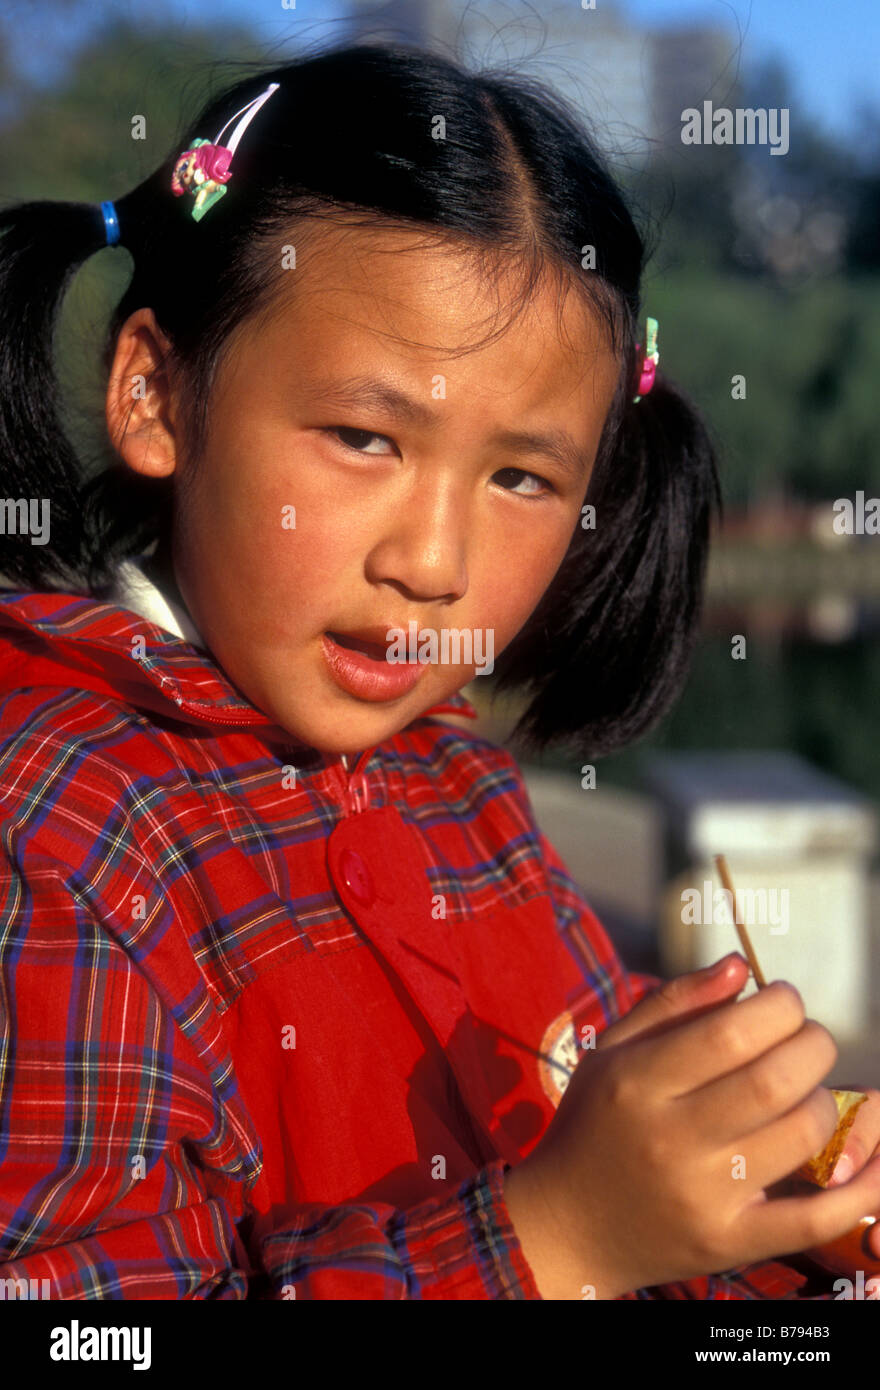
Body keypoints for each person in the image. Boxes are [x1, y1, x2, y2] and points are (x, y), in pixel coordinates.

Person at [0, 41, 878, 1302]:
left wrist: (783, 1204)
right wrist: (551, 1241)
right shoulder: (60, 834)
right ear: (157, 395)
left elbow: (601, 1142)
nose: (434, 561)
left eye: (522, 477)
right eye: (364, 437)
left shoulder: (465, 793)